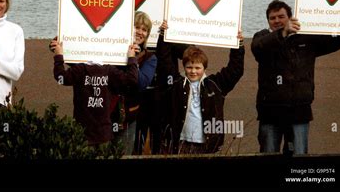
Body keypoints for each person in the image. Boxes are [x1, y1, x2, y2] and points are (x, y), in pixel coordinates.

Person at [252, 0, 340, 155]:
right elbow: (257, 48)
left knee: (299, 157)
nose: (277, 20)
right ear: (268, 21)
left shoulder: (306, 39)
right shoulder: (262, 38)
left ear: (290, 18)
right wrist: (283, 33)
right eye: (273, 18)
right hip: (270, 112)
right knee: (268, 156)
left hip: (299, 110)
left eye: (281, 16)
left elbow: (334, 40)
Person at [157, 20, 245, 154]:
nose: (193, 71)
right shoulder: (175, 84)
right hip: (181, 143)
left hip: (208, 145)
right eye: (189, 67)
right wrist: (163, 36)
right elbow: (164, 62)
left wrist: (238, 45)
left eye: (197, 67)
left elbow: (235, 70)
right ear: (184, 67)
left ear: (204, 68)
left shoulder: (215, 85)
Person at [50, 38, 139, 146]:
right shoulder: (107, 70)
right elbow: (132, 80)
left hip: (84, 131)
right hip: (98, 132)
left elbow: (61, 77)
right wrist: (132, 59)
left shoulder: (81, 69)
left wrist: (59, 56)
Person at [111, 11, 157, 155]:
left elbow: (141, 83)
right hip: (105, 113)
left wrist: (133, 59)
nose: (140, 32)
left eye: (144, 29)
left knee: (123, 154)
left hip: (128, 117)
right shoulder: (113, 50)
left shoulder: (150, 58)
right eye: (136, 27)